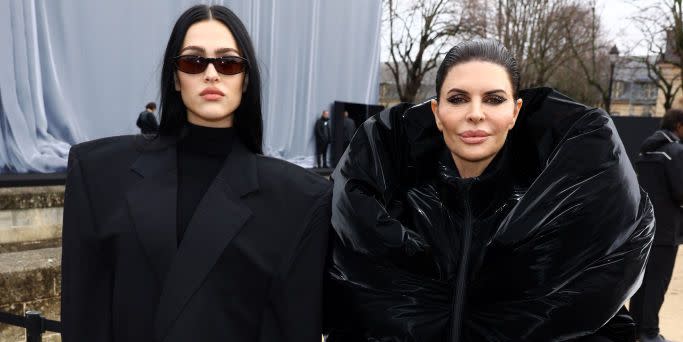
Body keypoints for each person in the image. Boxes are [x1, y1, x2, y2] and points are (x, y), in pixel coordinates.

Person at [324, 39, 654, 341]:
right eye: (458, 99)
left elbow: (597, 318)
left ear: (515, 112)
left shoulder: (560, 211)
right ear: (437, 113)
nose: (476, 114)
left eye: (494, 99)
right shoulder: (389, 202)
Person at [61, 5, 331, 342]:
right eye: (194, 61)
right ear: (175, 77)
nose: (212, 74)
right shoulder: (98, 173)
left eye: (228, 62)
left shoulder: (300, 200)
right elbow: (83, 316)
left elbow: (295, 327)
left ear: (245, 79)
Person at [630, 109, 683, 342]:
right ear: (679, 126)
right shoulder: (676, 152)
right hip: (667, 229)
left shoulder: (645, 150)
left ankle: (635, 329)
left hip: (643, 227)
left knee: (641, 282)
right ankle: (649, 332)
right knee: (658, 282)